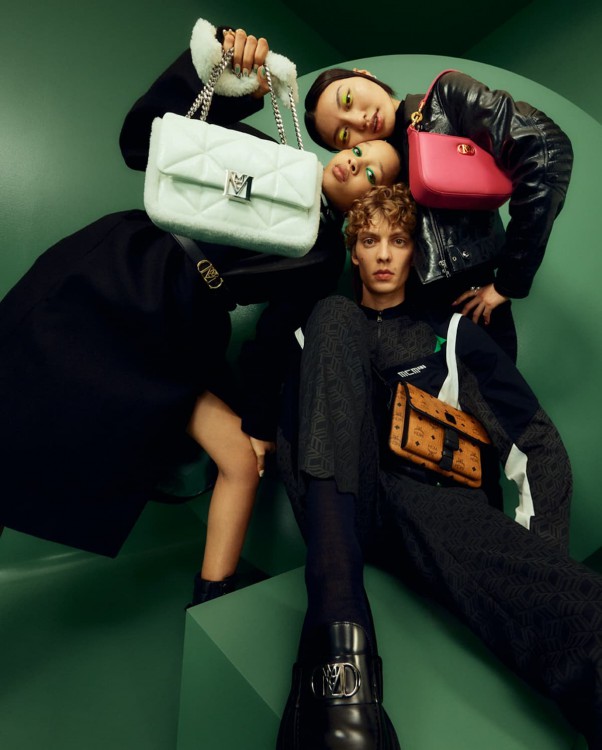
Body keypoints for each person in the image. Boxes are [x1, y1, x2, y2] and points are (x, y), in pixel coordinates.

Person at [0, 23, 401, 608]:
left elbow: (272, 341)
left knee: (212, 452)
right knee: (15, 396)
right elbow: (141, 142)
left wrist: (260, 424)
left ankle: (212, 592)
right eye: (351, 145)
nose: (354, 157)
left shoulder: (323, 254)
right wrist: (230, 78)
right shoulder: (267, 152)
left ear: (370, 203)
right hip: (118, 267)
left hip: (180, 323)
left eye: (372, 173)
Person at [275, 183, 602, 749]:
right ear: (353, 252)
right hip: (341, 509)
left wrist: (532, 561)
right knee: (331, 315)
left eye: (398, 240)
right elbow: (293, 446)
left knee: (575, 606)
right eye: (370, 241)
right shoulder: (316, 336)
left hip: (435, 513)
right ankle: (339, 673)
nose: (383, 254)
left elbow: (537, 445)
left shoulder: (449, 335)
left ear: (415, 252)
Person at [302, 66, 574, 362]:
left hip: (469, 310)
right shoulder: (370, 167)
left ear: (362, 73)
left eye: (348, 99)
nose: (360, 120)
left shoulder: (444, 99)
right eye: (344, 135)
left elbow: (544, 149)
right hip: (400, 325)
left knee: (492, 392)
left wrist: (508, 283)